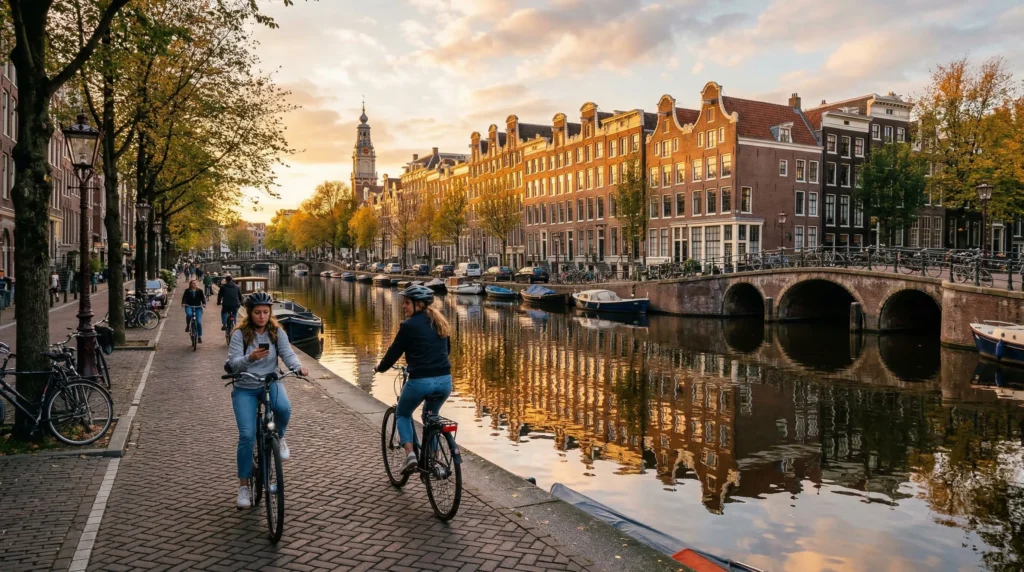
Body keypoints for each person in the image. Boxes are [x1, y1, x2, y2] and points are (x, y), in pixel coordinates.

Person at [226, 291, 308, 508]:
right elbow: (233, 363)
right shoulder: (240, 335)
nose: (262, 317)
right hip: (245, 386)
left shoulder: (276, 332)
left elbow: (287, 354)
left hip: (270, 382)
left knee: (284, 408)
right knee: (246, 436)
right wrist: (249, 358)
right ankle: (244, 486)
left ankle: (279, 438)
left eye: (265, 312)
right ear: (250, 313)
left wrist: (297, 366)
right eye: (257, 313)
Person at [374, 285, 452, 474]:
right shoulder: (440, 322)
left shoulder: (408, 326)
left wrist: (380, 368)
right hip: (444, 381)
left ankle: (410, 456)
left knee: (403, 414)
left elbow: (394, 352)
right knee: (430, 417)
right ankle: (433, 459)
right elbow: (447, 350)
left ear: (419, 305)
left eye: (407, 303)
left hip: (421, 381)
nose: (404, 307)